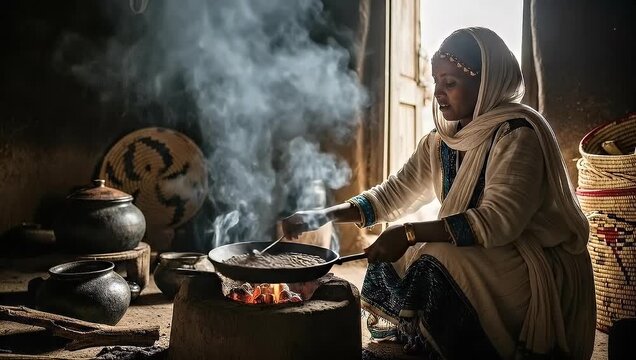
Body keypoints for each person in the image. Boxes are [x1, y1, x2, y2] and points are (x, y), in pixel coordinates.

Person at [281, 27, 596, 359]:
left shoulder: (517, 135)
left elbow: (500, 222)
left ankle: (456, 345)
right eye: (436, 83)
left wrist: (411, 232)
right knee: (395, 249)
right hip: (487, 251)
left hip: (528, 259)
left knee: (436, 258)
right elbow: (393, 194)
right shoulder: (443, 139)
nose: (439, 93)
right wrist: (322, 216)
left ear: (487, 82)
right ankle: (419, 339)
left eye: (451, 83)